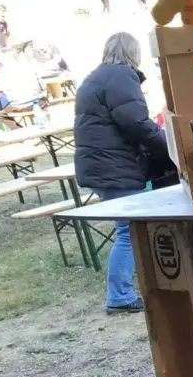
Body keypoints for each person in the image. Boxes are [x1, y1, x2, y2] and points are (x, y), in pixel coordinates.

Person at [74, 32, 176, 315]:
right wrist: (170, 146)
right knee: (129, 233)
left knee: (128, 231)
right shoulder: (121, 76)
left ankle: (125, 291)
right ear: (133, 53)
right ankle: (120, 296)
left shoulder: (96, 77)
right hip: (114, 166)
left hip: (102, 164)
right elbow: (136, 123)